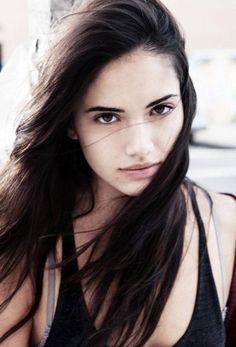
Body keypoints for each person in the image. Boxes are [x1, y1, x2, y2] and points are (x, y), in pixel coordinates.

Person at [0, 0, 235, 346]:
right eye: (107, 116)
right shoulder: (28, 233)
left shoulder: (226, 226)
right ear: (71, 124)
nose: (140, 145)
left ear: (185, 102)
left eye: (161, 108)